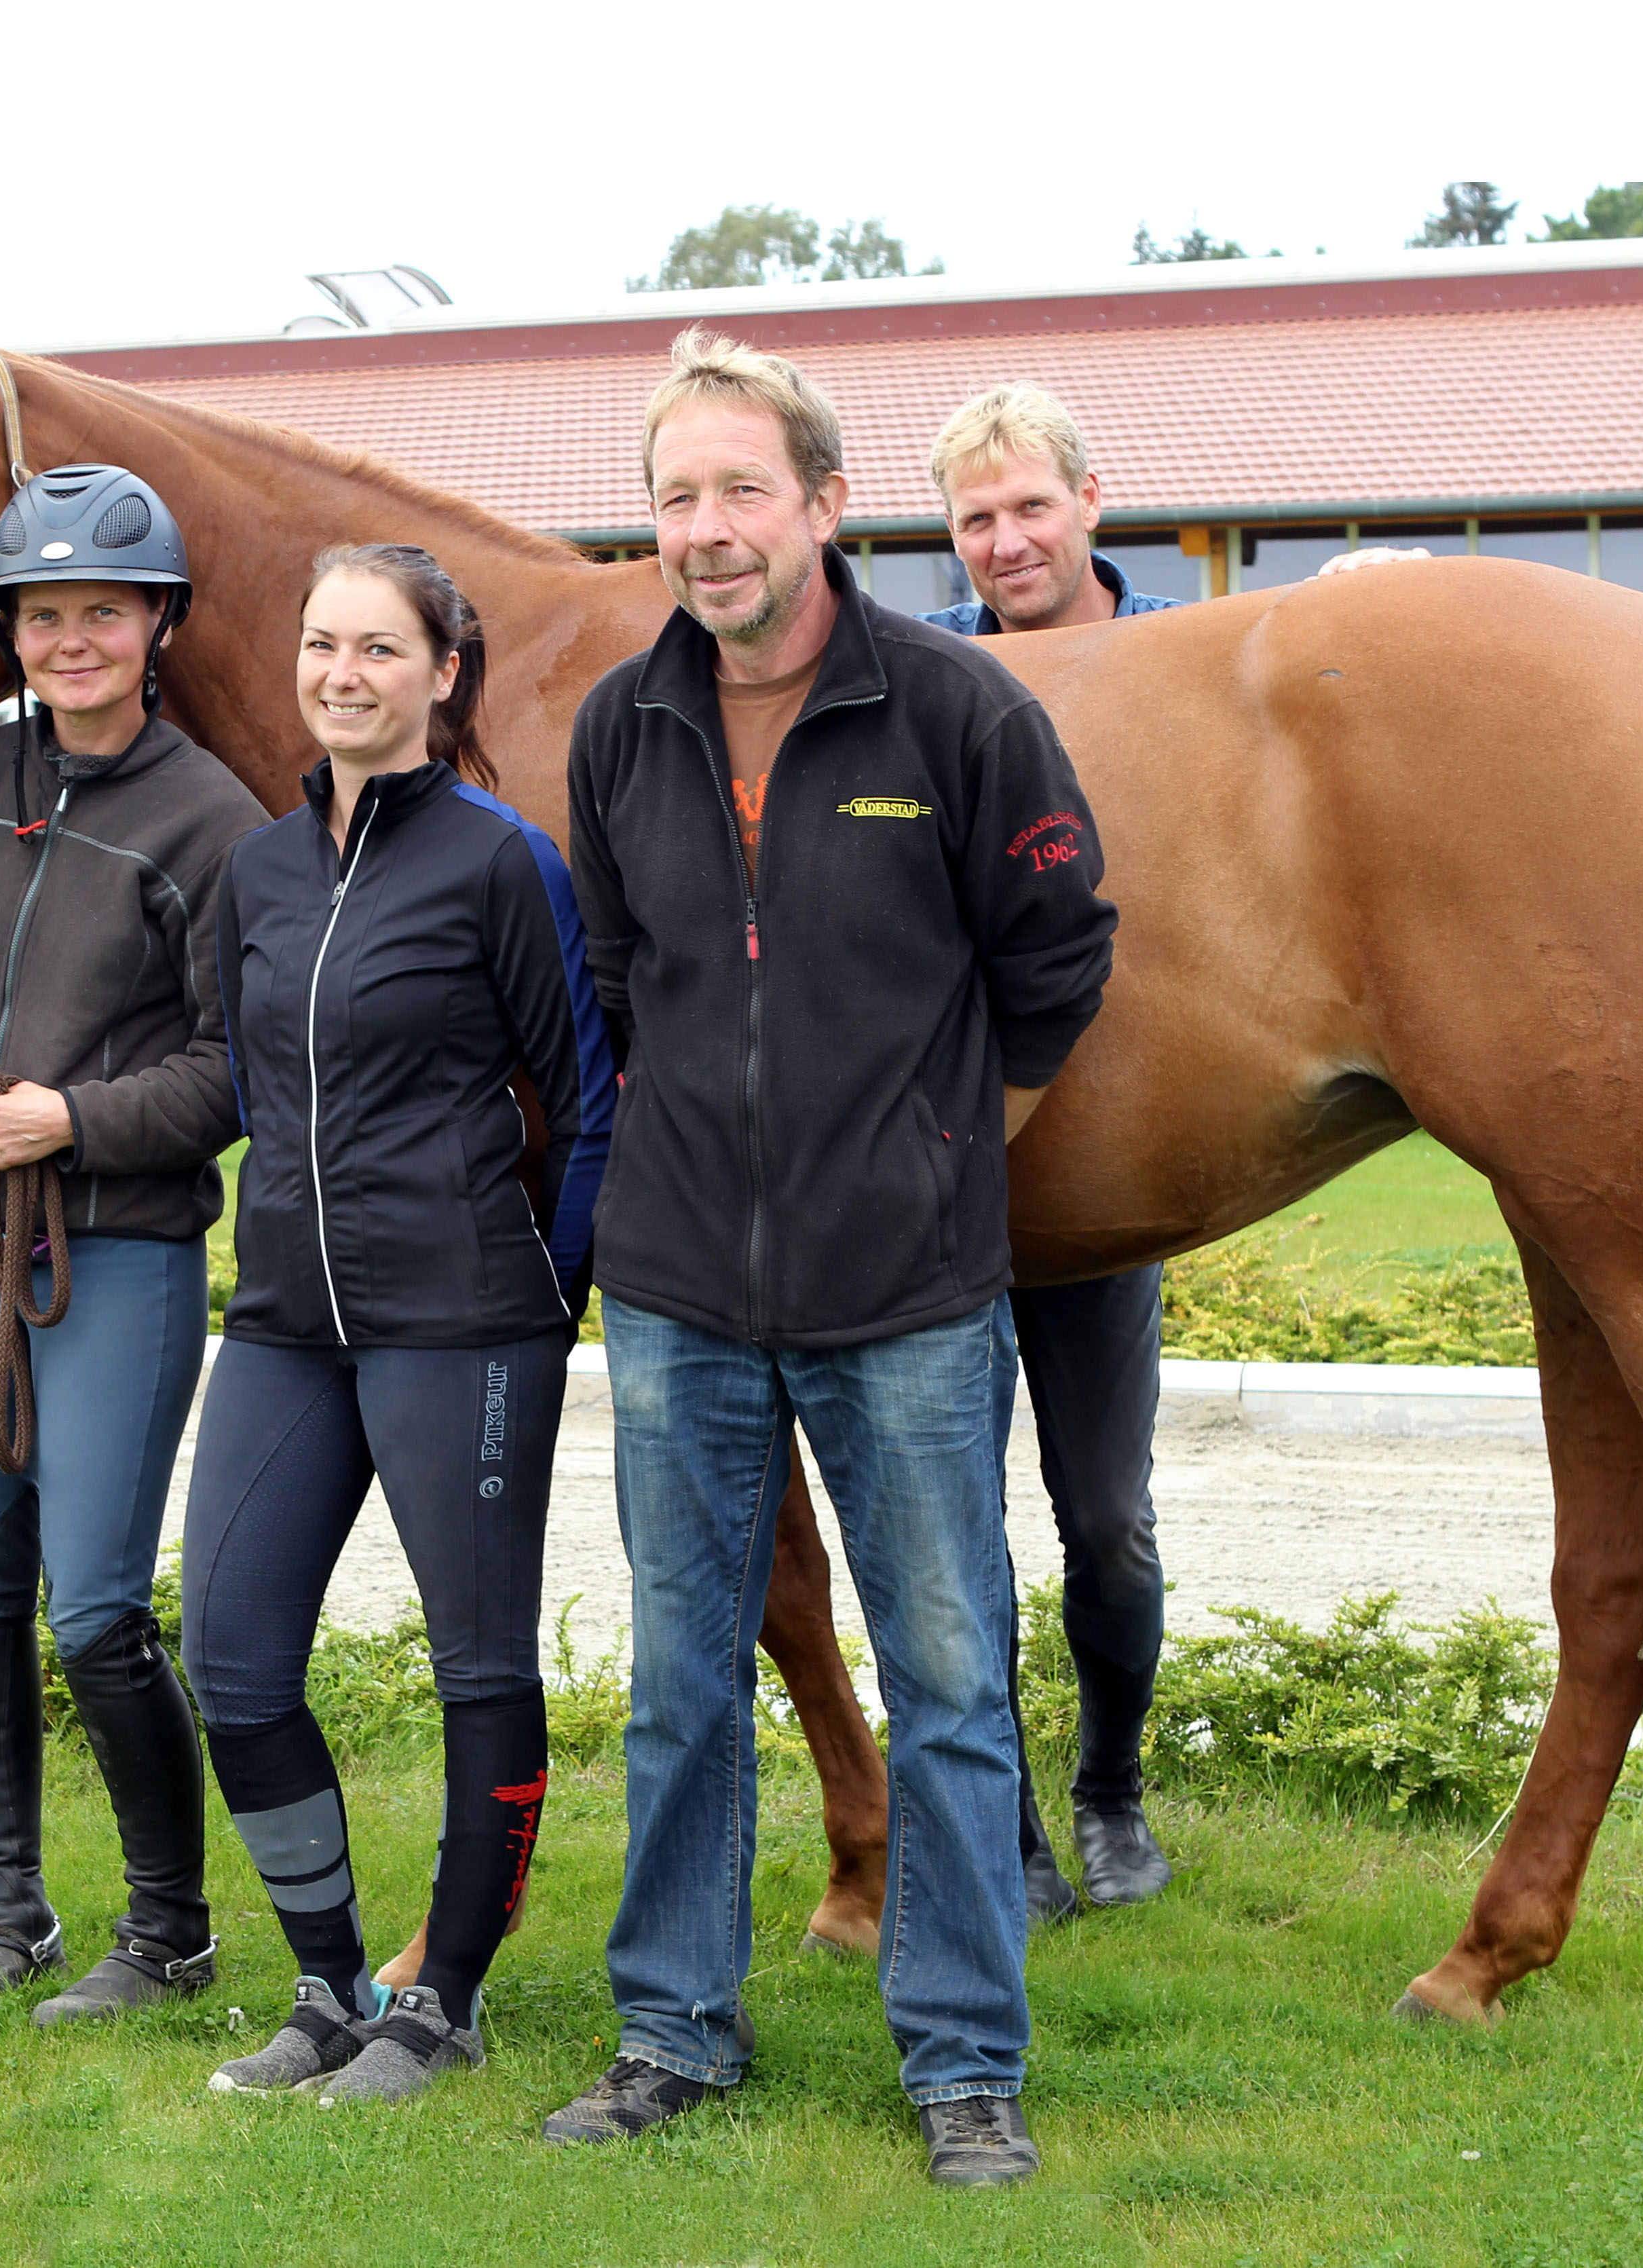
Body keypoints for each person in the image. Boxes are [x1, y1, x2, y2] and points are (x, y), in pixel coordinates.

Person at [549, 331, 1116, 2187]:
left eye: (738, 492)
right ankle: (671, 2030)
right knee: (683, 1677)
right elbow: (627, 982)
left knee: (949, 1678)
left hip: (911, 1298)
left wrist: (947, 1147)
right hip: (683, 1293)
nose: (706, 532)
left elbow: (1058, 957)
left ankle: (963, 2054)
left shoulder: (958, 715)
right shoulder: (621, 727)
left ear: (821, 504)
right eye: (674, 499)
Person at [921, 384, 1429, 1920]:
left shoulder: (1196, 670)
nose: (1007, 540)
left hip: (1101, 1185)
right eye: (975, 518)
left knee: (1107, 1524)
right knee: (951, 1534)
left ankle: (1113, 1790)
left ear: (1092, 500)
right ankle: (999, 1823)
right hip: (941, 1187)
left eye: (1029, 506)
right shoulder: (918, 680)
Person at [183, 543, 613, 2105]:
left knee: (477, 1664)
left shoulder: (505, 861)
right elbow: (245, 1074)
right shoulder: (262, 871)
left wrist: (544, 1307)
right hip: (287, 1321)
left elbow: (588, 1101)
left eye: (378, 650)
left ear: (445, 674)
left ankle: (449, 2000)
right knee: (230, 1654)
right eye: (320, 645)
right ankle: (326, 1980)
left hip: (466, 1324)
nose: (341, 674)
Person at [0, 466, 265, 2023]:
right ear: (12, 630)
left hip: (112, 1258)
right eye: (45, 615)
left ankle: (169, 1931)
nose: (72, 640)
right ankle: (9, 1912)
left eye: (103, 611)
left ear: (158, 622)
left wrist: (77, 1122)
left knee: (95, 1608)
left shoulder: (216, 819)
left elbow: (239, 1070)